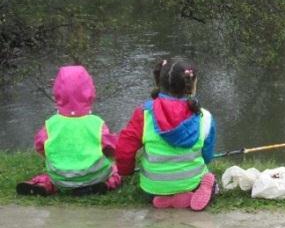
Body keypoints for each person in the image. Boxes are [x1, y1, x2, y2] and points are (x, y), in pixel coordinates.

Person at [116, 58, 217, 210]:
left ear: (159, 81)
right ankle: (189, 194)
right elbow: (207, 156)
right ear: (192, 84)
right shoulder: (205, 117)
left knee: (158, 189)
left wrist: (126, 171)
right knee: (211, 182)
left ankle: (165, 198)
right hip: (191, 183)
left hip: (152, 189)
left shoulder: (144, 114)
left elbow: (124, 148)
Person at [16, 65, 121, 196]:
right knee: (115, 170)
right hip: (93, 176)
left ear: (58, 93)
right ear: (90, 92)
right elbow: (112, 148)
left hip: (59, 176)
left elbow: (40, 147)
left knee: (53, 178)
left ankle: (44, 185)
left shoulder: (51, 123)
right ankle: (103, 185)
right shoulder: (96, 123)